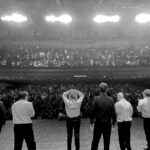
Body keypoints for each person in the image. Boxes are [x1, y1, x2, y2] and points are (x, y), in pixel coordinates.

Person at [90, 82, 116, 150]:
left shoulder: (96, 99)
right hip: (107, 125)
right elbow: (114, 113)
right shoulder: (111, 100)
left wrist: (91, 122)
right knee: (107, 143)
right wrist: (113, 123)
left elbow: (92, 112)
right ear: (107, 89)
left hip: (98, 124)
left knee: (95, 142)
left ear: (99, 89)